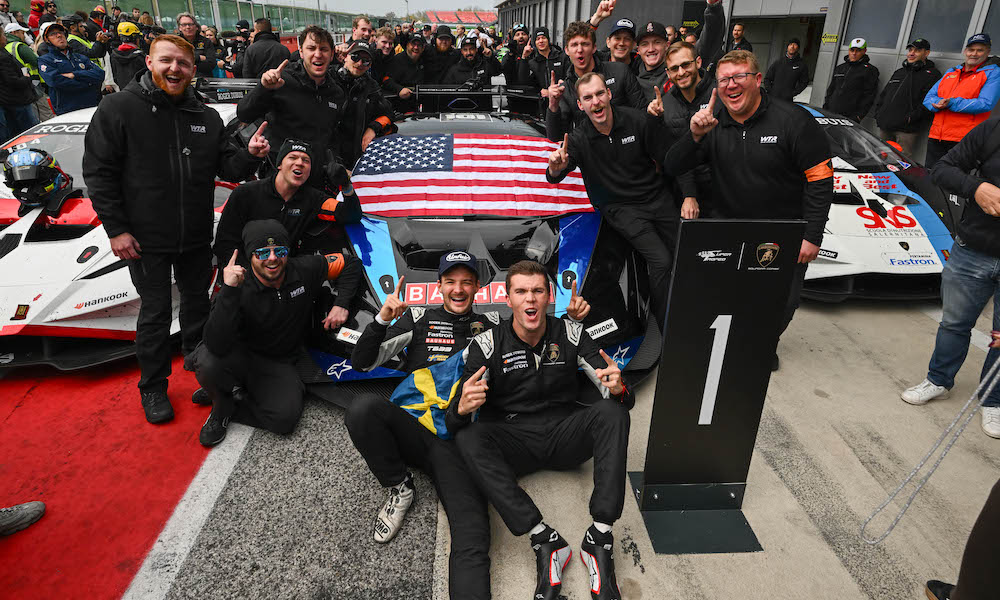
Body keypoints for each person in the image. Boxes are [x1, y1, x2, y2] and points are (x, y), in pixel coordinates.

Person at [83, 34, 267, 424]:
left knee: (197, 305)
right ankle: (152, 387)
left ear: (192, 70)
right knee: (155, 312)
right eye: (166, 60)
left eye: (183, 63)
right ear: (150, 63)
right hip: (144, 238)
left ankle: (203, 371)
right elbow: (99, 173)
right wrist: (116, 229)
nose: (174, 68)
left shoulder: (206, 116)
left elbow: (228, 168)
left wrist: (249, 156)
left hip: (195, 235)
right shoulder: (118, 108)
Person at [448, 259, 632, 600]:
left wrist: (620, 389)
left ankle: (600, 538)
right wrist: (461, 408)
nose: (530, 299)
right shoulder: (486, 344)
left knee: (612, 412)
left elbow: (617, 393)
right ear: (508, 299)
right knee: (467, 436)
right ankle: (544, 539)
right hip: (515, 443)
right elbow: (452, 420)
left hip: (565, 438)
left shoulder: (572, 334)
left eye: (537, 291)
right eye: (521, 292)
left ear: (549, 297)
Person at [665, 50, 834, 370]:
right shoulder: (712, 122)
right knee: (724, 296)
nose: (731, 85)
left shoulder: (794, 121)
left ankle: (763, 344)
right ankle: (728, 342)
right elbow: (673, 165)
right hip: (729, 228)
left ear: (757, 80)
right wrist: (694, 135)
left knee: (781, 302)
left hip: (783, 232)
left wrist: (812, 235)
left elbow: (821, 182)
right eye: (724, 80)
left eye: (739, 76)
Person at [346, 253, 500, 598]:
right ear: (439, 286)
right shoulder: (418, 317)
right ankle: (400, 486)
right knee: (362, 409)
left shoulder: (492, 324)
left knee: (473, 533)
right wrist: (381, 320)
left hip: (460, 442)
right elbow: (362, 363)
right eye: (451, 282)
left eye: (466, 282)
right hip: (416, 431)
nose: (458, 290)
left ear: (477, 286)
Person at [193, 219, 361, 446]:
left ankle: (231, 399)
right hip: (239, 354)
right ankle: (220, 406)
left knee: (284, 419)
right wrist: (229, 291)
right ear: (250, 256)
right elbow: (215, 343)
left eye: (279, 251)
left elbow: (350, 263)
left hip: (279, 360)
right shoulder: (238, 284)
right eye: (263, 252)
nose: (272, 258)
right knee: (207, 361)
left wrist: (342, 303)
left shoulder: (304, 268)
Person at [547, 72, 679, 328]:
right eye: (588, 98)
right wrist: (554, 168)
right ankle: (666, 324)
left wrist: (689, 196)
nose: (596, 101)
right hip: (620, 208)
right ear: (580, 105)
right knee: (661, 260)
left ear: (609, 94)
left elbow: (670, 158)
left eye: (599, 94)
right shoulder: (578, 138)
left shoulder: (637, 119)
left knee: (686, 253)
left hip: (657, 198)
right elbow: (554, 176)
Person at [899, 117, 1000, 438]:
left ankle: (993, 400)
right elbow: (942, 169)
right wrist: (976, 188)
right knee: (954, 323)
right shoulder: (993, 129)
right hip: (974, 249)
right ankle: (939, 380)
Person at [214, 138, 359, 266]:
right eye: (292, 157)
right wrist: (247, 275)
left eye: (306, 160)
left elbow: (350, 214)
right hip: (246, 275)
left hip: (285, 274)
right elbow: (224, 244)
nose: (299, 163)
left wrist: (346, 186)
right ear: (280, 165)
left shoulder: (314, 198)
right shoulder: (245, 193)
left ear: (309, 170)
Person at [237, 25, 345, 190]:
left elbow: (332, 135)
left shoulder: (336, 93)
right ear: (301, 52)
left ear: (331, 55)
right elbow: (244, 114)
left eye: (323, 49)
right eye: (311, 48)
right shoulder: (281, 81)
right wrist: (263, 88)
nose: (318, 54)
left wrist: (334, 163)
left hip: (316, 184)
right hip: (279, 181)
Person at [646, 41, 717, 219]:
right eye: (674, 68)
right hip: (684, 192)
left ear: (698, 62)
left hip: (722, 188)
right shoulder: (666, 104)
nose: (681, 72)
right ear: (668, 73)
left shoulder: (720, 94)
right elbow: (672, 156)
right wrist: (655, 120)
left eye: (686, 65)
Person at [544, 19, 645, 142]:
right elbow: (555, 136)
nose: (579, 50)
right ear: (567, 50)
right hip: (590, 150)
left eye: (585, 44)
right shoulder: (566, 89)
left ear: (594, 48)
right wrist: (553, 106)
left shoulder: (620, 71)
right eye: (574, 45)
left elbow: (642, 113)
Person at [923, 33, 1000, 169]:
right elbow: (928, 98)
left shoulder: (993, 72)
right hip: (937, 136)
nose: (974, 54)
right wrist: (936, 104)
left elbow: (985, 103)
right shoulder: (952, 72)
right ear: (965, 51)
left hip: (964, 139)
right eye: (971, 50)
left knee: (953, 179)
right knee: (930, 174)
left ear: (987, 52)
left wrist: (951, 103)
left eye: (980, 50)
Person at [873, 38, 940, 158]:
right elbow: (884, 95)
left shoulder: (933, 75)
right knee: (880, 159)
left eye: (917, 50)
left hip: (906, 129)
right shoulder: (899, 72)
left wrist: (911, 118)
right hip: (885, 124)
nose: (911, 53)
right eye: (910, 50)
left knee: (901, 161)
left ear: (926, 53)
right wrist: (879, 113)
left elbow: (929, 102)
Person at [334, 40, 396, 168]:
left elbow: (389, 113)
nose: (360, 63)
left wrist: (373, 128)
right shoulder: (328, 78)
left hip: (355, 156)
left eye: (366, 61)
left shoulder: (371, 86)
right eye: (355, 57)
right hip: (328, 154)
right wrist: (331, 54)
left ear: (369, 65)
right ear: (345, 57)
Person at [36, 21, 103, 115]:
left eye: (61, 32)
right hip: (67, 109)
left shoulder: (79, 57)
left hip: (92, 105)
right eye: (53, 34)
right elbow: (55, 81)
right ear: (47, 40)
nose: (59, 35)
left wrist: (75, 75)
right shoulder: (45, 60)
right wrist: (87, 82)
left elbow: (100, 74)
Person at [823, 37, 879, 123]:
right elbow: (831, 89)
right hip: (831, 112)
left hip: (850, 116)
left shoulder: (870, 70)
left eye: (858, 51)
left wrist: (859, 116)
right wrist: (826, 107)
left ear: (864, 51)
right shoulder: (840, 68)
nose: (854, 53)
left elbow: (869, 95)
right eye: (852, 50)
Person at [0, 26, 40, 140]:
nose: (5, 38)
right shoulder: (3, 56)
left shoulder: (4, 51)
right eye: (3, 35)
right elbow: (12, 81)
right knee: (31, 134)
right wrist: (27, 78)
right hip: (17, 100)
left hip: (12, 100)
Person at [382, 33, 424, 113]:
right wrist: (399, 89)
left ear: (423, 48)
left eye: (419, 45)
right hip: (398, 105)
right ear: (407, 45)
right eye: (413, 44)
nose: (416, 47)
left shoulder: (425, 60)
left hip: (418, 106)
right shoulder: (396, 60)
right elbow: (386, 79)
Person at [108, 20, 146, 88]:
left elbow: (115, 78)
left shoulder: (114, 55)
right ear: (134, 38)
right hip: (139, 92)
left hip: (124, 91)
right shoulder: (140, 56)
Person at [175, 12, 214, 78]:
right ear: (179, 28)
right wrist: (199, 57)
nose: (188, 27)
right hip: (182, 79)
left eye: (190, 24)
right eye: (184, 25)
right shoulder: (175, 42)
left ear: (196, 27)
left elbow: (211, 64)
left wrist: (186, 60)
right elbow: (175, 62)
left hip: (203, 79)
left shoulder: (206, 42)